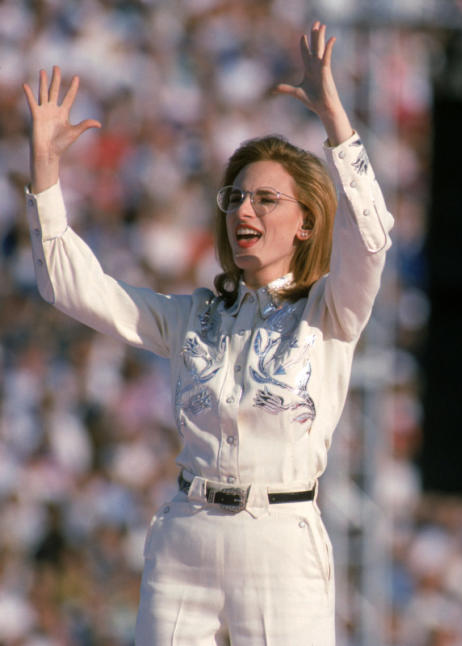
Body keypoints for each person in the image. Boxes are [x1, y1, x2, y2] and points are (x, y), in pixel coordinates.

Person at [23, 22, 392, 645]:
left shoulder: (330, 311)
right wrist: (46, 171)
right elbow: (70, 286)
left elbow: (371, 238)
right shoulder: (191, 314)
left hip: (280, 539)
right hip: (184, 536)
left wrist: (335, 120)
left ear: (306, 223)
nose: (244, 211)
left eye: (266, 199)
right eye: (236, 197)